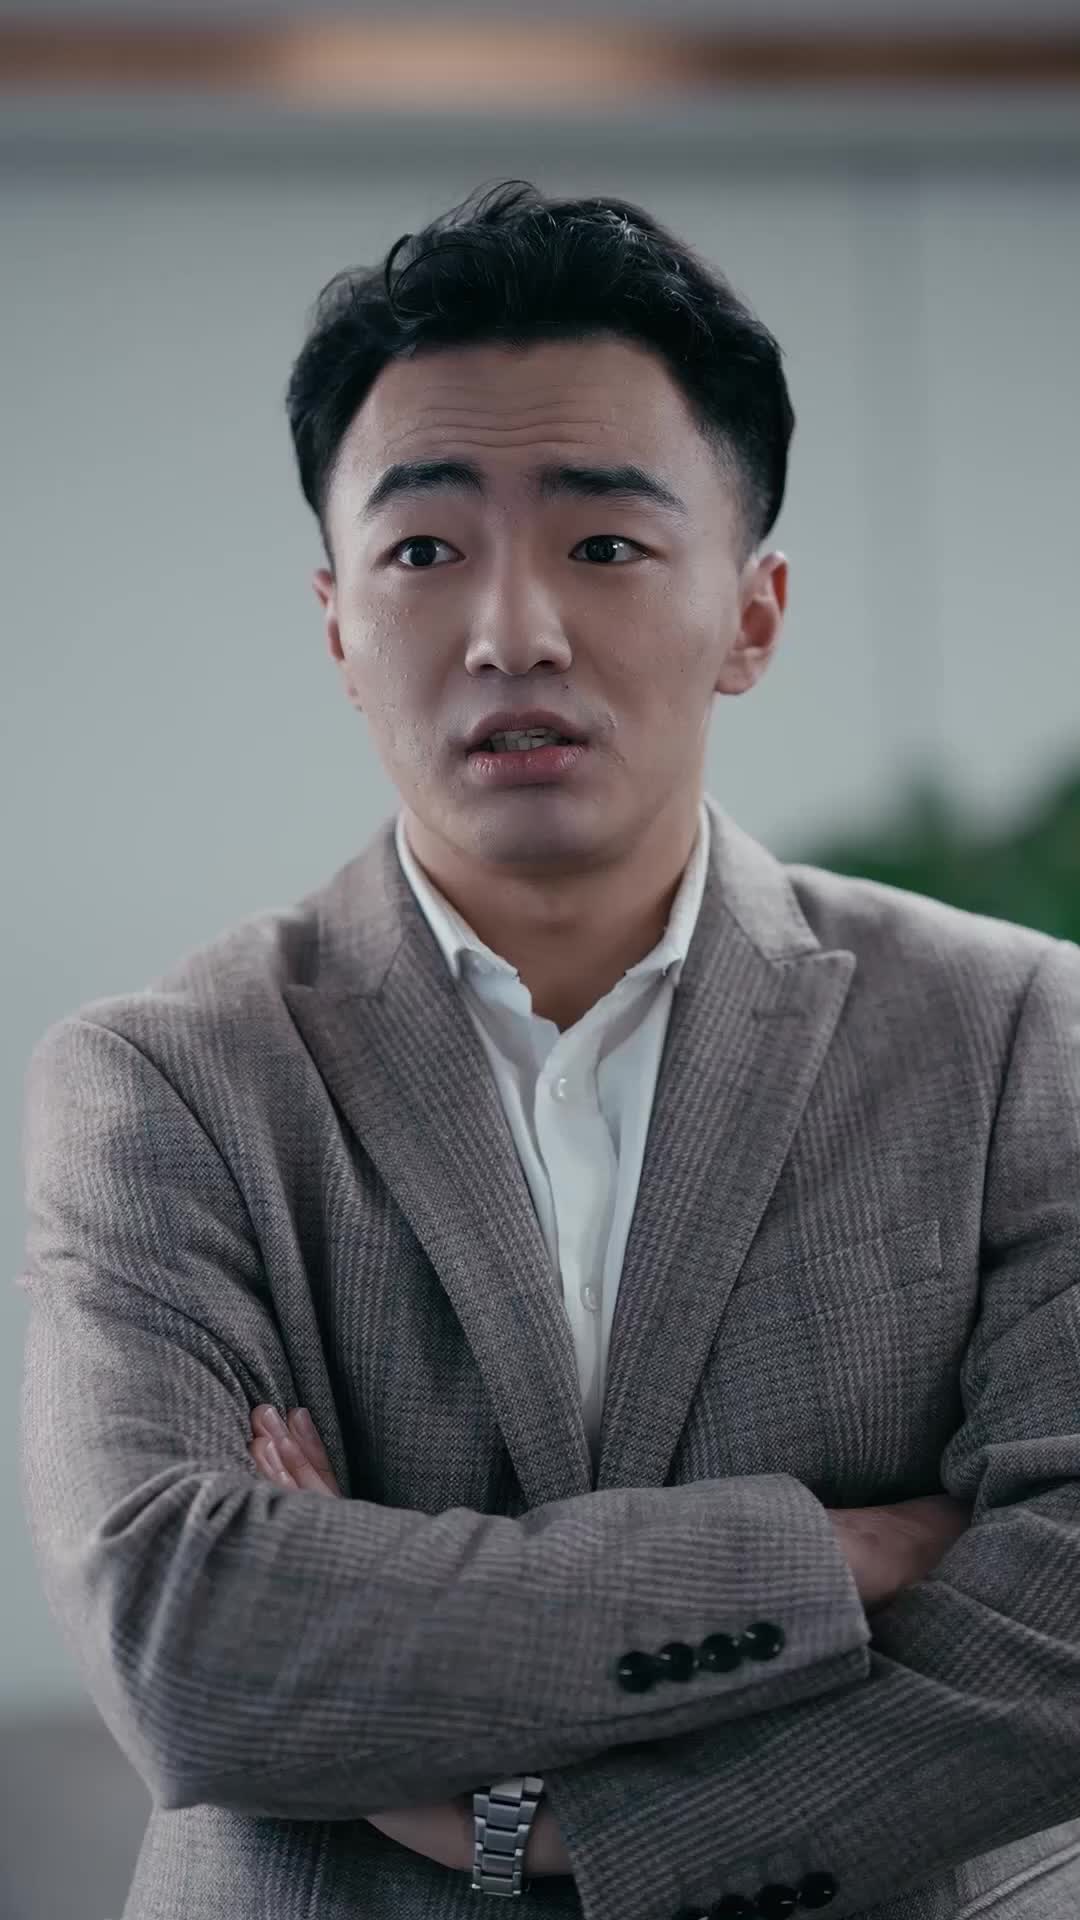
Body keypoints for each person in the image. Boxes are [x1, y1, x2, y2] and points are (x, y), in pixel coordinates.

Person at [18, 180, 1080, 1920]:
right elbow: (188, 1642)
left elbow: (1063, 1629)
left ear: (753, 614)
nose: (513, 629)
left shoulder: (1017, 1032)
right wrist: (833, 1553)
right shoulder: (168, 1084)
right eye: (425, 551)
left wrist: (568, 1835)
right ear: (338, 622)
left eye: (604, 545)